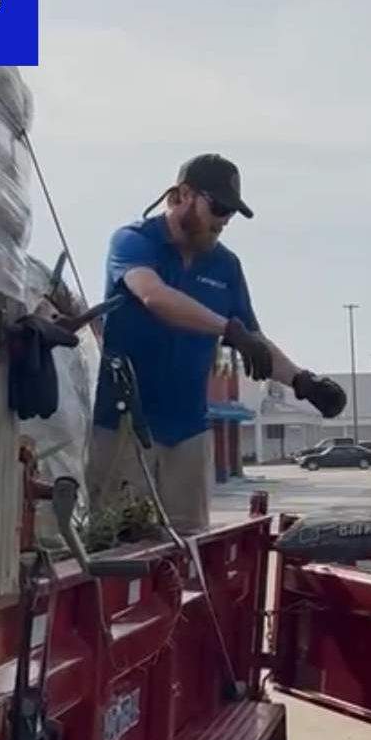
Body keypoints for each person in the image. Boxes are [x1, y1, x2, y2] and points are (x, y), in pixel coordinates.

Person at [91, 154, 346, 532]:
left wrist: (302, 381)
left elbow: (254, 340)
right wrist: (229, 330)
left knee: (190, 550)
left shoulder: (226, 266)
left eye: (231, 213)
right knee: (119, 548)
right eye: (219, 207)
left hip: (188, 430)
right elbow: (154, 296)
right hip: (125, 425)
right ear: (183, 195)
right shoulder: (134, 241)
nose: (225, 220)